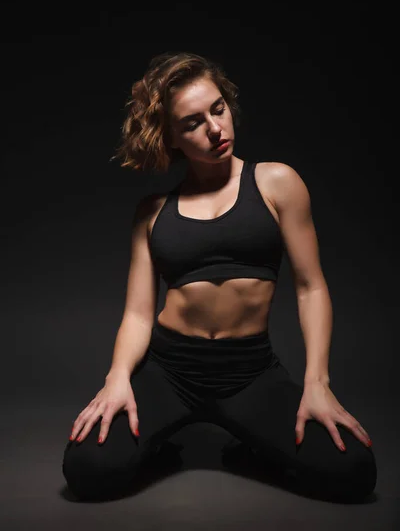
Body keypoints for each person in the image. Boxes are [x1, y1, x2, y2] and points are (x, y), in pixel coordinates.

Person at [62, 52, 377, 502]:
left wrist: (317, 383)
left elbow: (312, 288)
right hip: (170, 371)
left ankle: (250, 446)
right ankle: (161, 450)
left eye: (218, 109)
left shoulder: (276, 183)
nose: (215, 128)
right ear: (170, 137)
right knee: (86, 470)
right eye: (192, 123)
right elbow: (136, 313)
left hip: (250, 373)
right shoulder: (152, 212)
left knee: (353, 473)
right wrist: (117, 379)